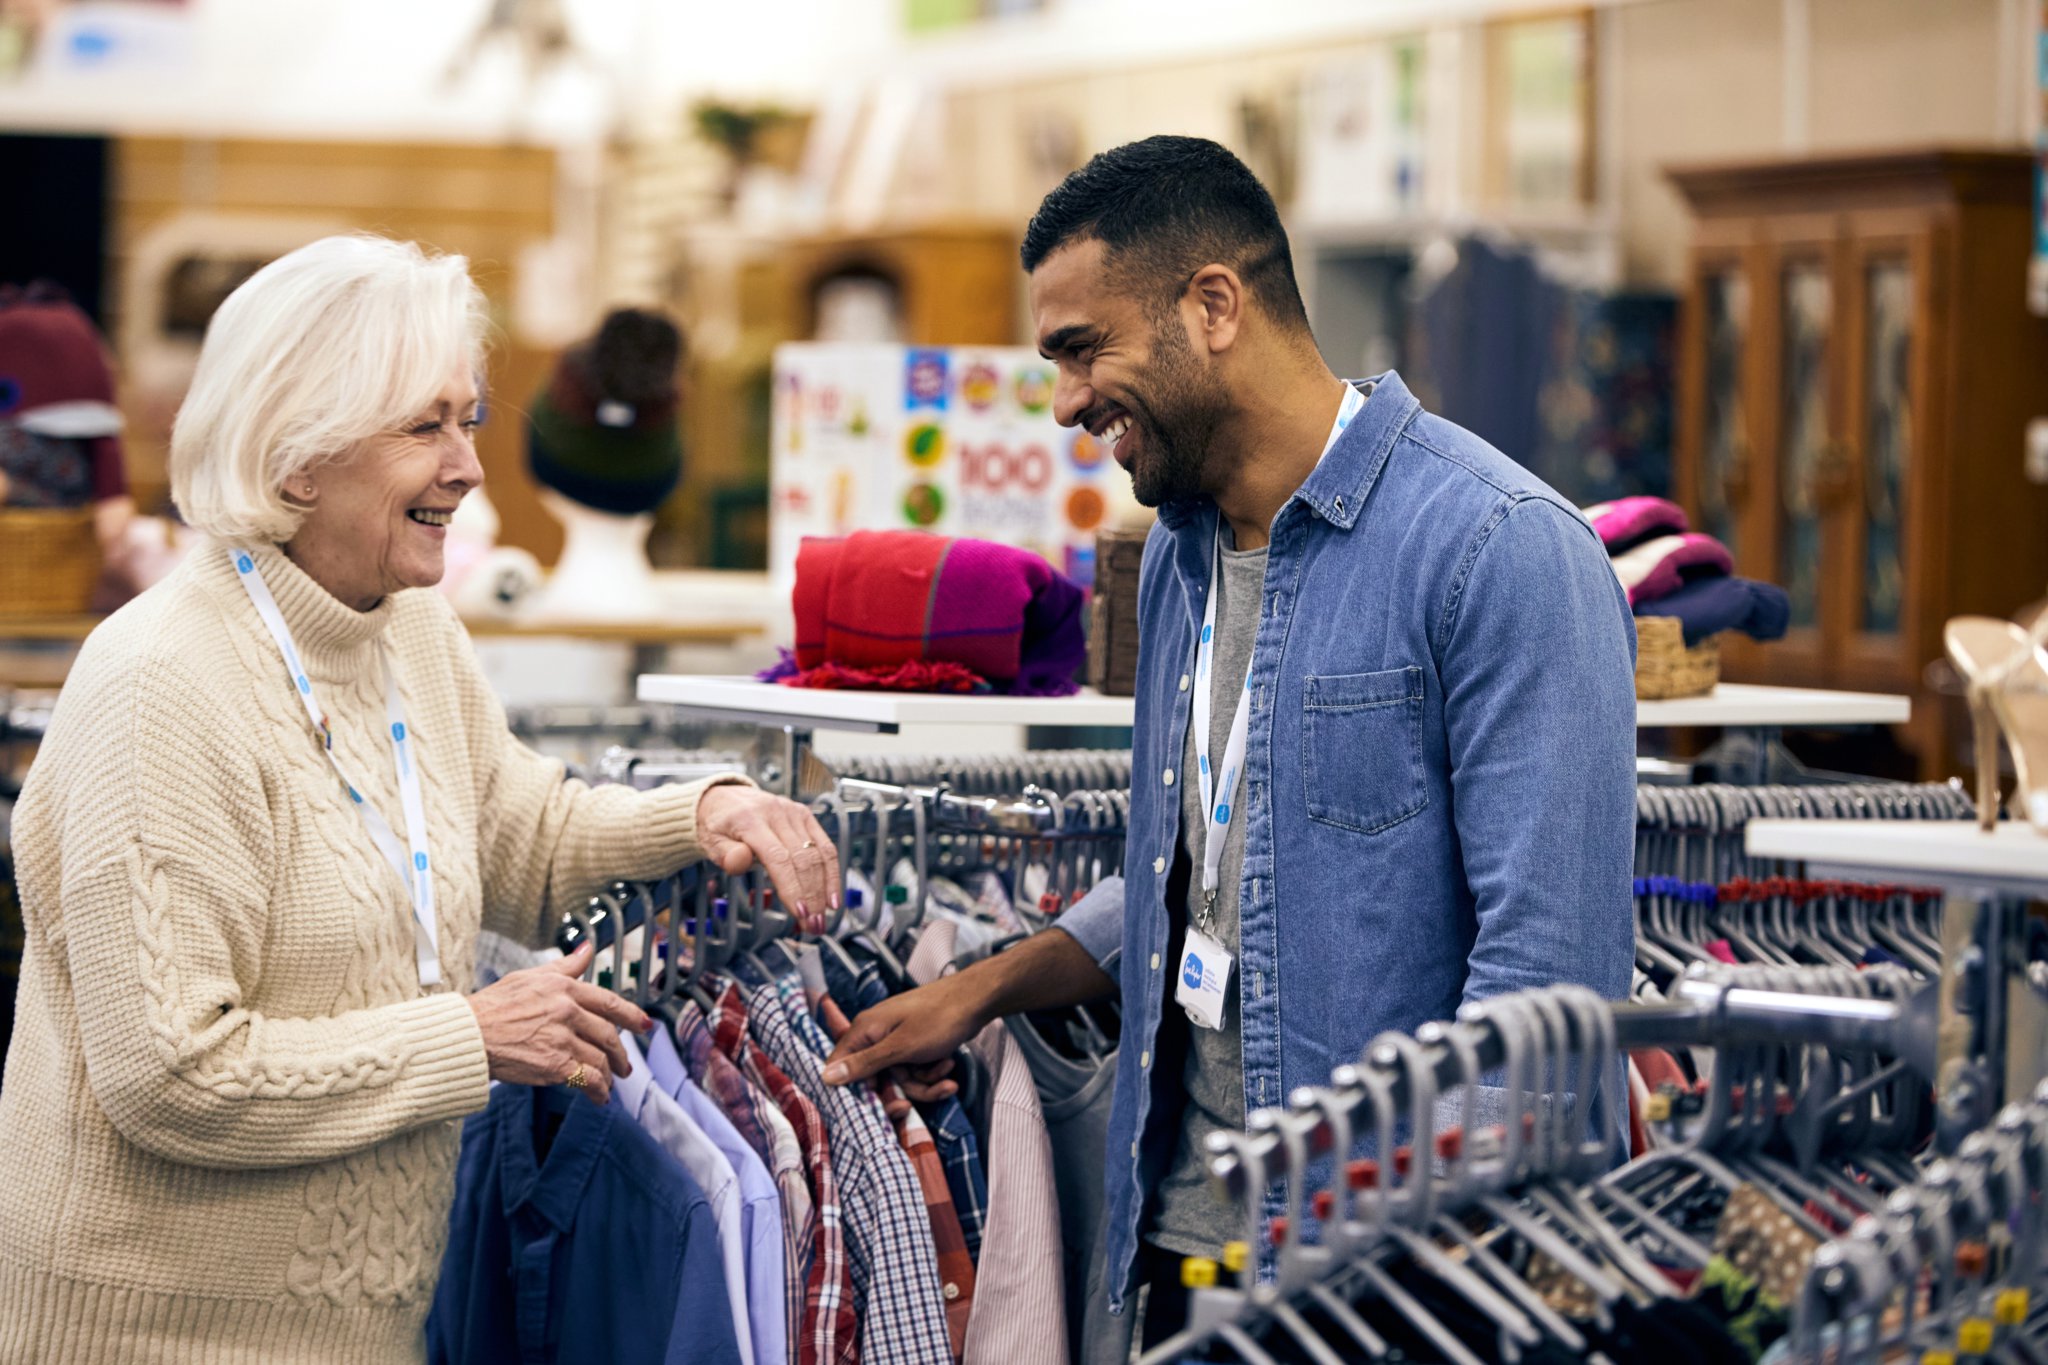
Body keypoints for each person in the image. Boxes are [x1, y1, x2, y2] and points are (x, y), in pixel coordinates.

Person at [822, 135, 1638, 1347]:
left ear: (1212, 304)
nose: (1064, 402)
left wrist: (1408, 1287)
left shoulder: (1501, 551)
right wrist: (984, 987)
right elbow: (1199, 877)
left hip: (1374, 1289)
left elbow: (1548, 995)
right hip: (1176, 1261)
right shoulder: (1176, 562)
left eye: (1080, 349)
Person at [0, 234, 841, 1362]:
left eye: (469, 419)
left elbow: (519, 841)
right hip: (154, 1335)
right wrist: (471, 1038)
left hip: (367, 1331)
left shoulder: (405, 631)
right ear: (296, 458)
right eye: (423, 426)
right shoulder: (160, 687)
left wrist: (705, 812)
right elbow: (170, 1078)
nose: (468, 467)